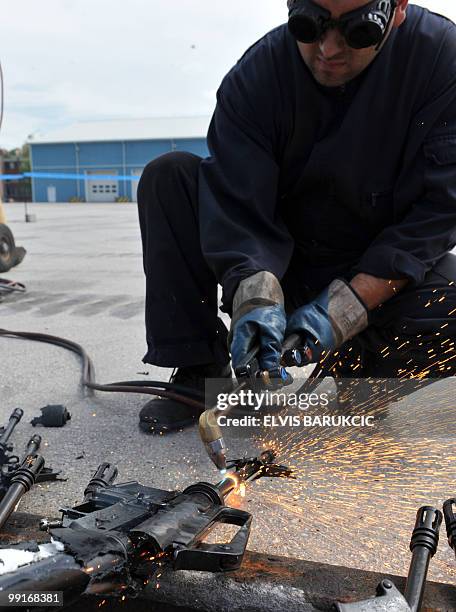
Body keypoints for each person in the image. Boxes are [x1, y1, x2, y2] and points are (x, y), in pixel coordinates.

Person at [137, 0, 456, 434]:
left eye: (357, 30)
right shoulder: (257, 76)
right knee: (169, 177)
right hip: (281, 261)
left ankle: (361, 381)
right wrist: (255, 294)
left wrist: (346, 307)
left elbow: (441, 208)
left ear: (396, 8)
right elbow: (235, 203)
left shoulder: (442, 60)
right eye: (312, 25)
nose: (328, 49)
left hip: (377, 268)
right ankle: (201, 373)